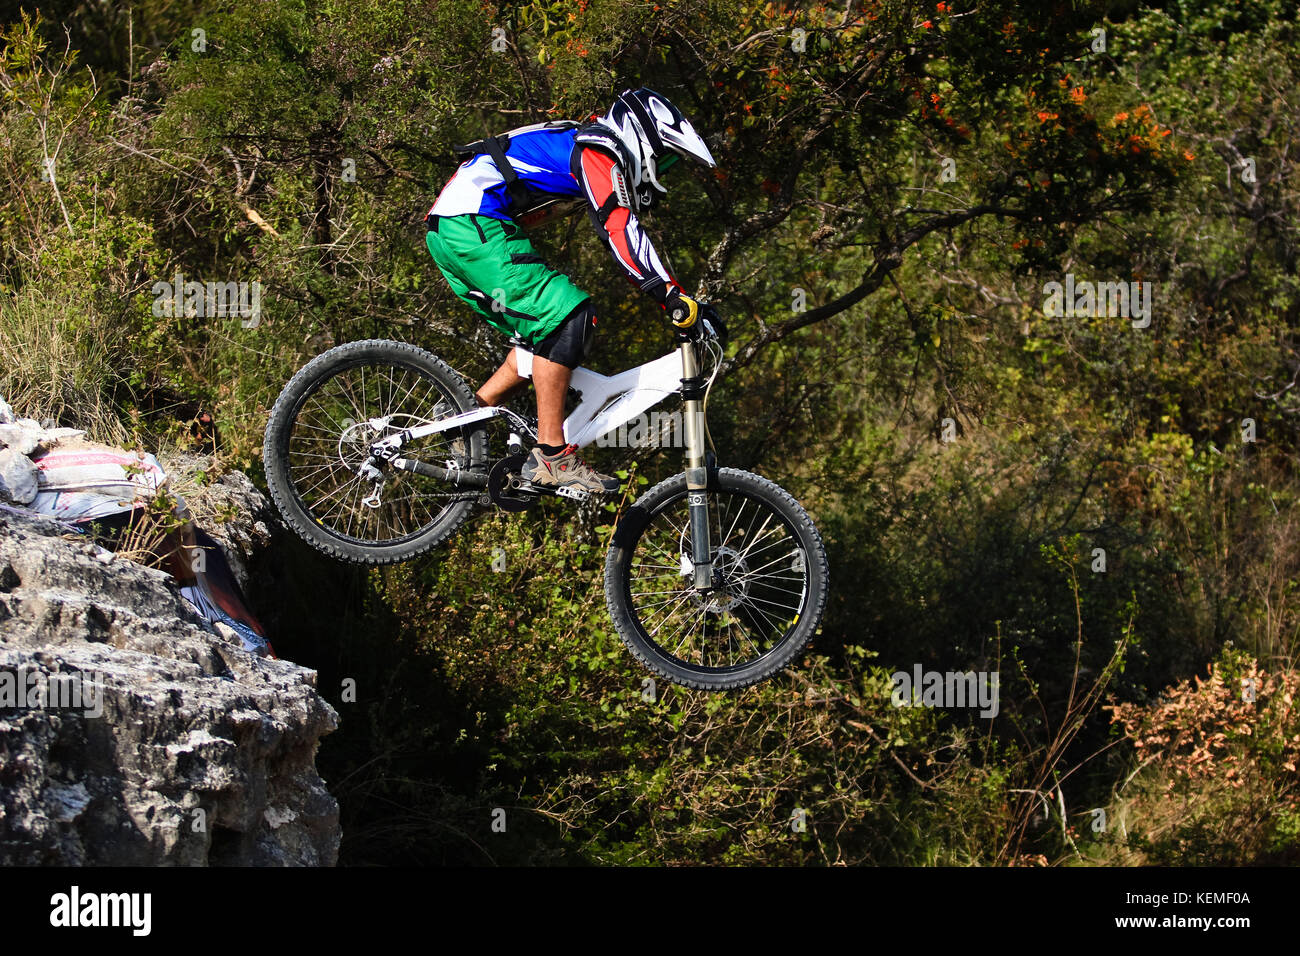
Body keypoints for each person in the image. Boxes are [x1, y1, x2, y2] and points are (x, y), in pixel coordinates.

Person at [424, 87, 725, 495]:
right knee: (568, 316)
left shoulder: (586, 147)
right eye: (663, 157)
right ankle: (552, 456)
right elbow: (619, 229)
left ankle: (468, 411)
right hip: (470, 225)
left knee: (543, 331)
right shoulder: (599, 151)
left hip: (458, 230)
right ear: (643, 137)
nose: (662, 169)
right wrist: (672, 296)